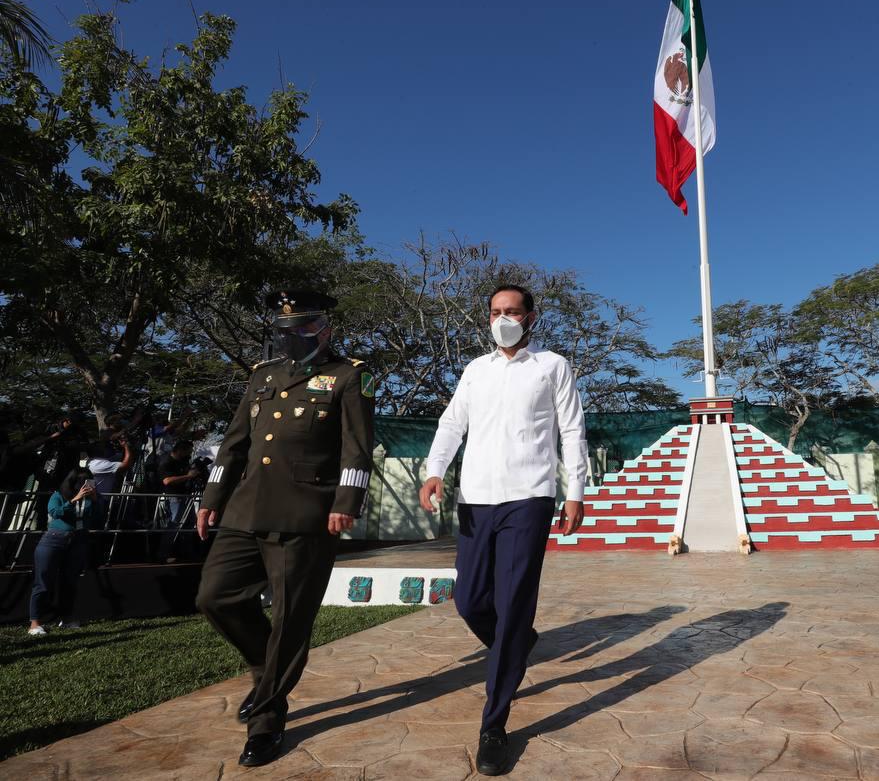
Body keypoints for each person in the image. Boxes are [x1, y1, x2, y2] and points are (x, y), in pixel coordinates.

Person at [195, 289, 375, 768]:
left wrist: (346, 502)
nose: (289, 336)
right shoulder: (263, 376)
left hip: (306, 515)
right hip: (244, 510)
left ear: (323, 329)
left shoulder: (348, 376)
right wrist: (212, 497)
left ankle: (268, 718)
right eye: (283, 329)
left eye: (300, 328)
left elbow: (356, 449)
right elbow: (233, 445)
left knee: (291, 617)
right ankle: (267, 673)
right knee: (214, 597)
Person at [418, 284, 588, 776]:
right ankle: (516, 643)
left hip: (528, 497)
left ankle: (494, 723)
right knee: (470, 599)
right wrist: (435, 471)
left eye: (512, 311)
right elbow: (452, 423)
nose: (503, 319)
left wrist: (574, 490)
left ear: (531, 317)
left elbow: (572, 429)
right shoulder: (475, 370)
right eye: (495, 312)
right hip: (476, 498)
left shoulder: (551, 366)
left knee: (513, 602)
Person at [28, 470, 103, 636]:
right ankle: (35, 622)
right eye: (84, 482)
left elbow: (99, 518)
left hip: (79, 540)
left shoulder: (92, 498)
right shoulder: (58, 495)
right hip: (54, 540)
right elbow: (55, 512)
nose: (88, 485)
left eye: (90, 482)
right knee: (44, 581)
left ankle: (66, 618)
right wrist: (74, 500)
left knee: (70, 581)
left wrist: (95, 500)